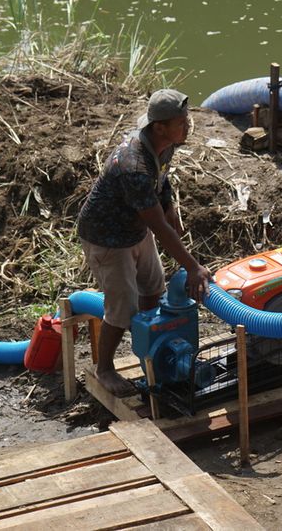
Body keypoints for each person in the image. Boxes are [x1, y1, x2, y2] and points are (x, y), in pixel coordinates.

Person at [77, 89, 212, 396]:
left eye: (186, 119)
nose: (187, 126)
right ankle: (105, 369)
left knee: (154, 291)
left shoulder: (165, 145)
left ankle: (151, 351)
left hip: (135, 229)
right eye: (181, 122)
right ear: (159, 126)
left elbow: (163, 179)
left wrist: (169, 204)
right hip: (107, 238)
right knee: (123, 306)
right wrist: (192, 267)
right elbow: (160, 229)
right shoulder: (133, 165)